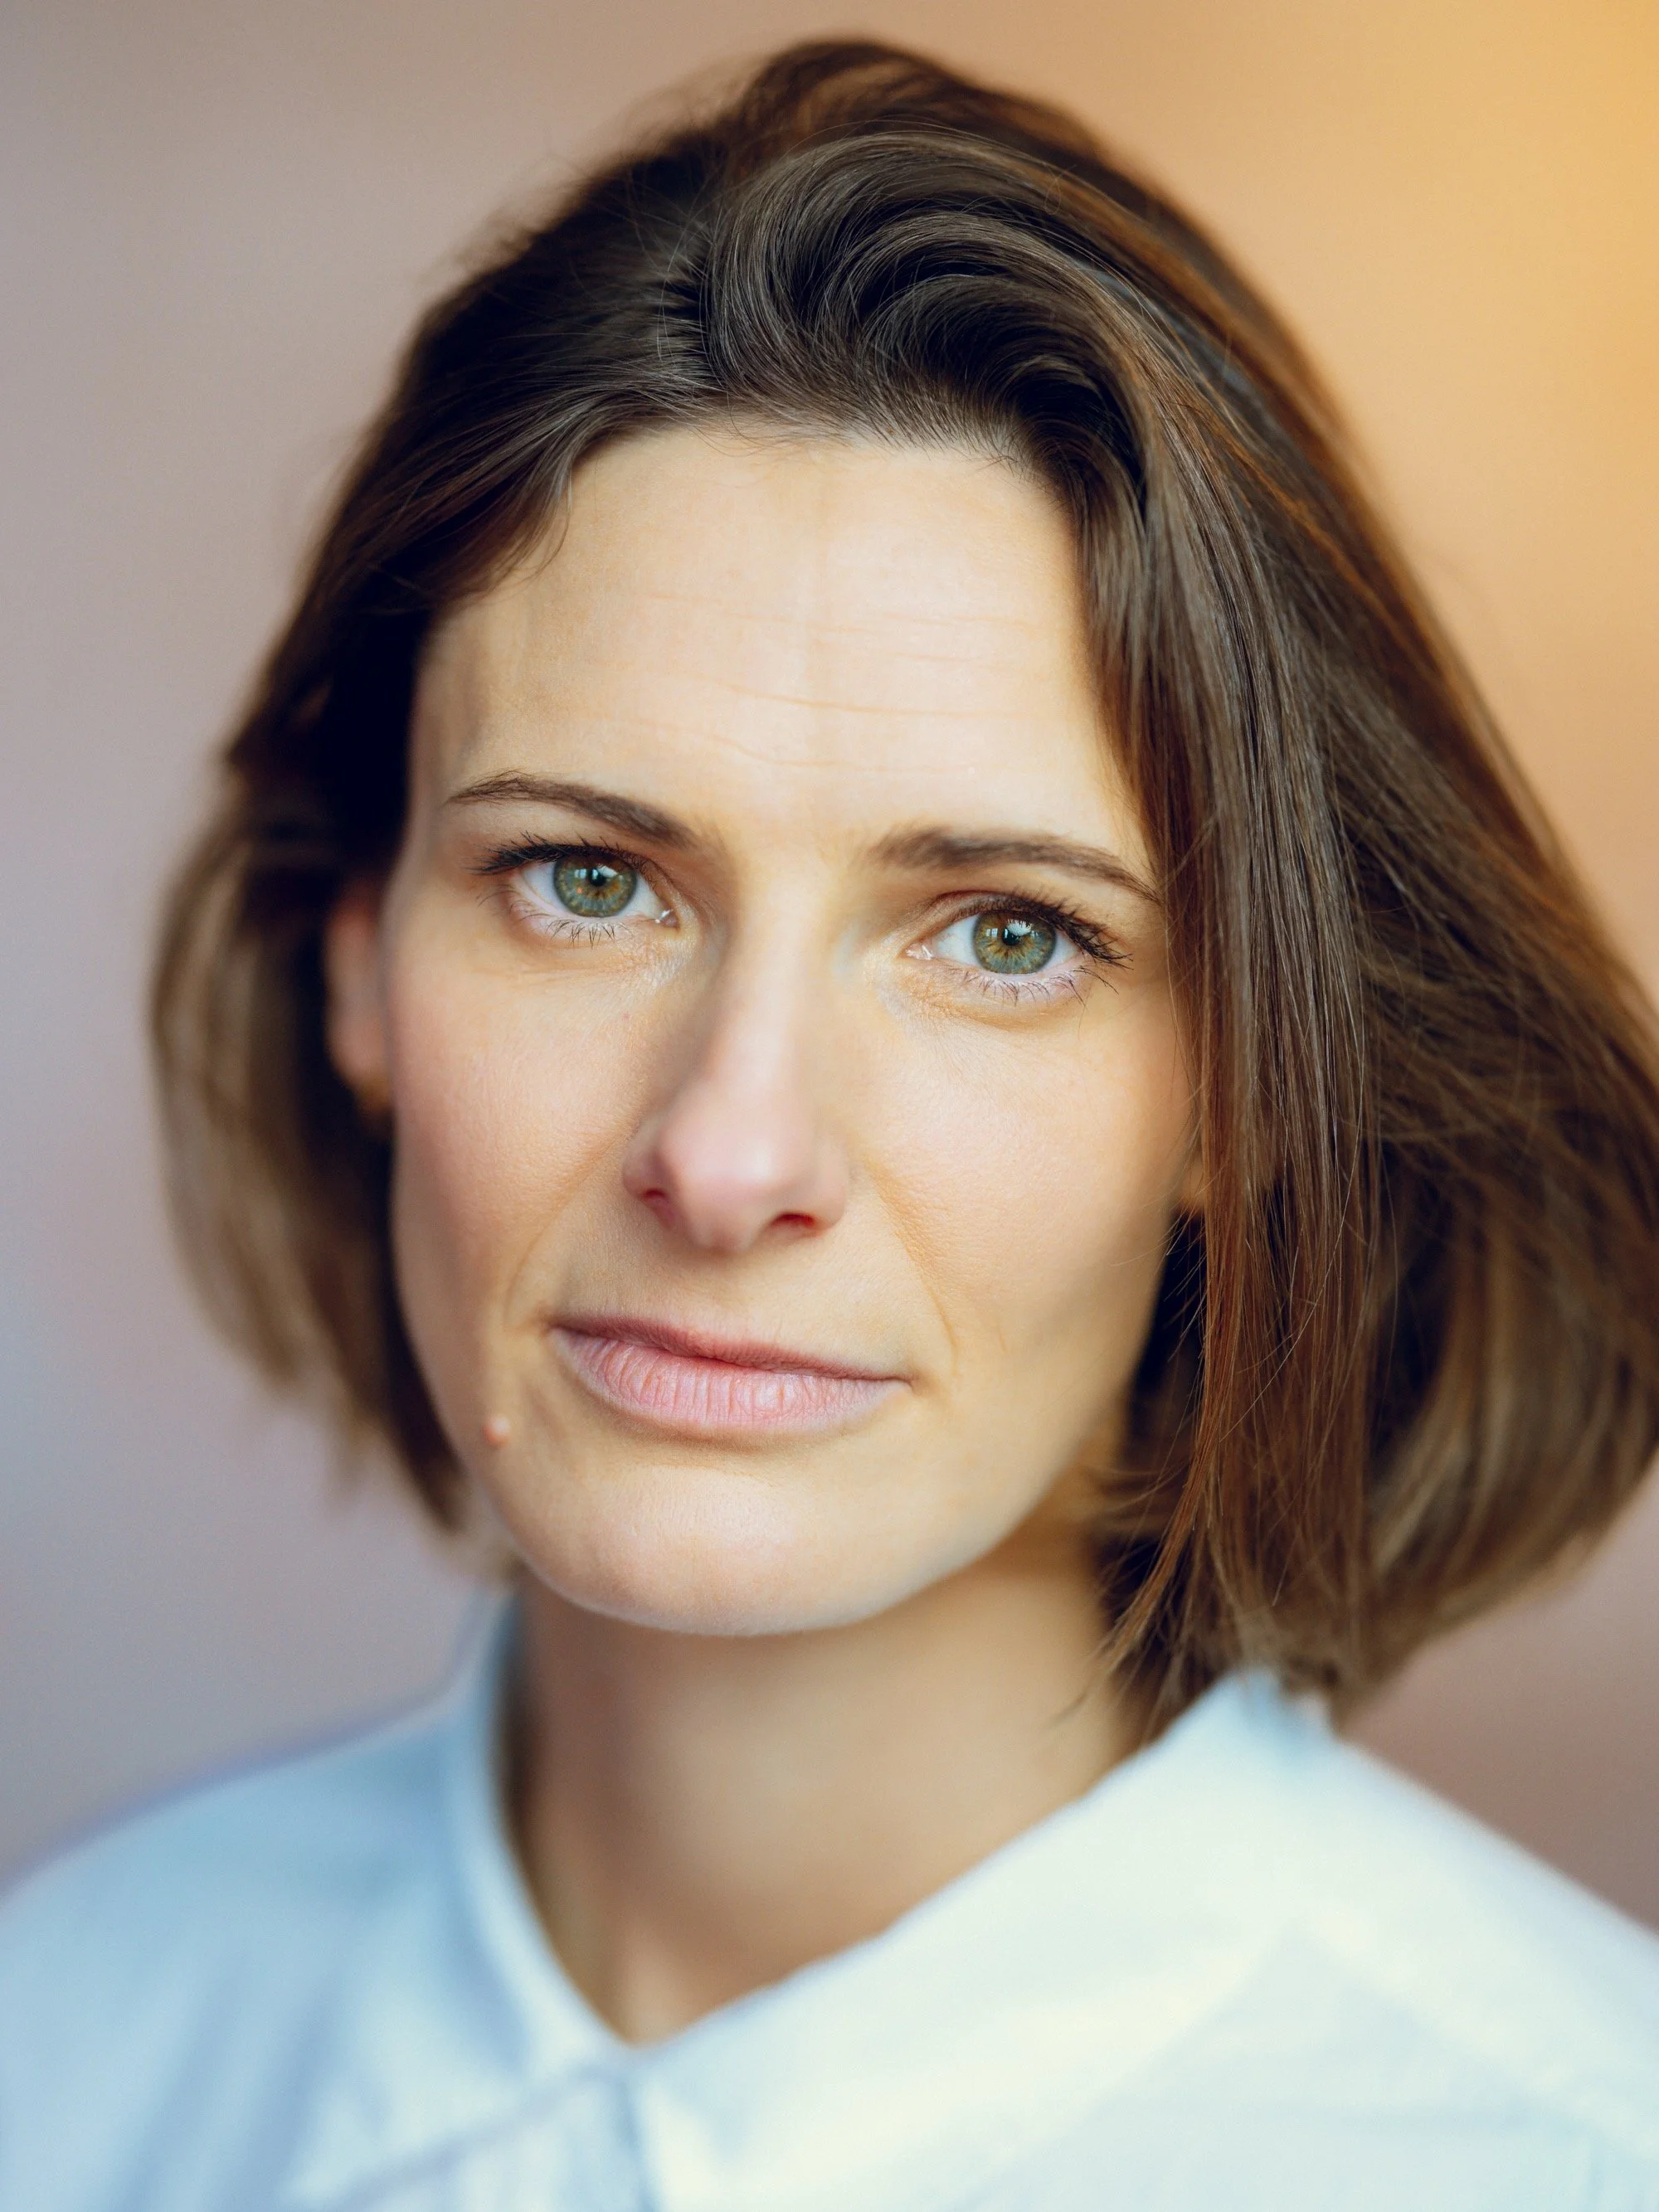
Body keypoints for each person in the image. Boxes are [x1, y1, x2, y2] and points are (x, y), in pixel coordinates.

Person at [3, 38, 1658, 2210]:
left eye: (1002, 936)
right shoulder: (70, 2048)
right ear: (354, 960)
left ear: (1256, 1082)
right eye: (587, 882)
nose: (731, 1151)